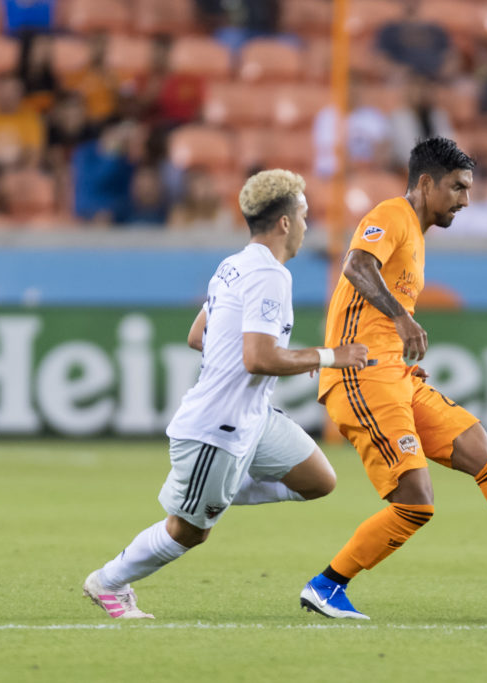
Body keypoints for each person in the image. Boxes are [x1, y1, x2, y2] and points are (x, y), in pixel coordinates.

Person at [300, 138, 487, 620]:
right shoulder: (392, 214)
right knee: (416, 503)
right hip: (361, 376)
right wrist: (401, 318)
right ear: (426, 183)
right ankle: (327, 585)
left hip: (395, 375)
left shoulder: (416, 234)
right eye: (457, 188)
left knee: (485, 453)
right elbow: (356, 264)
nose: (466, 200)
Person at [83, 169, 369, 619]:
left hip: (254, 417)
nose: (308, 225)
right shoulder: (270, 276)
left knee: (319, 481)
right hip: (217, 426)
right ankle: (109, 582)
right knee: (189, 531)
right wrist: (332, 357)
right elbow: (259, 358)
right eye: (305, 215)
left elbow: (198, 334)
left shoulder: (232, 264)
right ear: (285, 223)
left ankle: (222, 483)